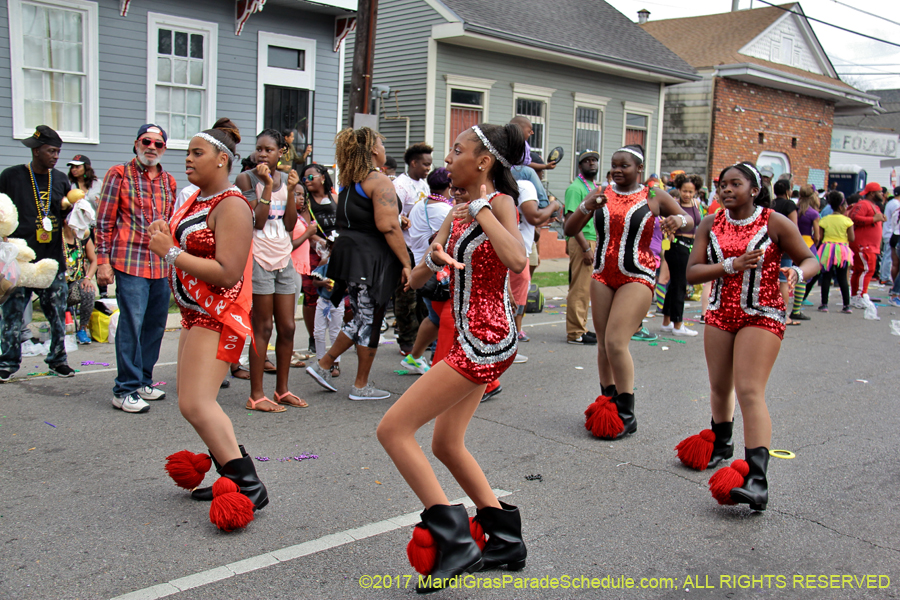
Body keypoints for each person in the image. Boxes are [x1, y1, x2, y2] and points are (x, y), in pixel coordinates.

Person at [376, 123, 528, 591]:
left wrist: (482, 210)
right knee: (446, 443)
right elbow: (418, 279)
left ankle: (455, 541)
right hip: (469, 337)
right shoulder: (456, 210)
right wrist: (433, 257)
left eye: (457, 150)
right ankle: (505, 539)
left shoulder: (499, 203)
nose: (447, 157)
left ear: (483, 161)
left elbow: (517, 260)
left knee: (393, 429)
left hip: (488, 337)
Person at [677, 162, 817, 512]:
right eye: (722, 184)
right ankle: (721, 444)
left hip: (763, 313)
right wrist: (731, 266)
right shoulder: (710, 223)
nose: (726, 189)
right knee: (719, 386)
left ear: (754, 190)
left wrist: (797, 273)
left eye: (735, 184)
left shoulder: (775, 222)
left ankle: (756, 480)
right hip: (720, 312)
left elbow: (810, 259)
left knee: (749, 390)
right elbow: (692, 273)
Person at [149, 118, 269, 524]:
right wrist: (168, 235)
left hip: (217, 315)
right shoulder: (198, 199)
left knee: (196, 403)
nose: (187, 159)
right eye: (187, 153)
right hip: (193, 313)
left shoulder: (232, 205)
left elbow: (228, 272)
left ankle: (248, 486)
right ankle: (232, 476)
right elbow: (188, 245)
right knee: (193, 403)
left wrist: (169, 252)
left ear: (222, 160)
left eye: (196, 153)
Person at [564, 145, 693, 440]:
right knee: (602, 344)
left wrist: (679, 220)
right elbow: (570, 228)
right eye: (614, 165)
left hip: (637, 275)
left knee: (615, 341)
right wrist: (586, 207)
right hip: (602, 274)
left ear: (639, 168)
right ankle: (607, 402)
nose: (618, 170)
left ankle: (626, 411)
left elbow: (690, 220)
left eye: (625, 165)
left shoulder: (654, 195)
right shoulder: (600, 193)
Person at [306, 127, 410, 400]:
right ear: (374, 150)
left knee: (364, 316)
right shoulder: (378, 180)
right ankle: (358, 384)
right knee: (370, 319)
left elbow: (364, 220)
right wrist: (406, 262)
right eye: (381, 144)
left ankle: (325, 365)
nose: (384, 149)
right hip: (370, 260)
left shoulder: (350, 182)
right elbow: (387, 226)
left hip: (350, 258)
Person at [96, 125, 176, 412]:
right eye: (146, 141)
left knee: (154, 326)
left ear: (164, 148)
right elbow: (104, 221)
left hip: (160, 265)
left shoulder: (168, 181)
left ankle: (143, 380)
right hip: (130, 262)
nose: (152, 147)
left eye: (158, 143)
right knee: (132, 324)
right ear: (137, 143)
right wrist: (102, 261)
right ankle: (125, 389)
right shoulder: (119, 174)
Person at [235, 129, 304, 412]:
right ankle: (256, 395)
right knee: (262, 327)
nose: (262, 154)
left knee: (288, 326)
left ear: (281, 153)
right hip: (258, 258)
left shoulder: (286, 180)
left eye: (269, 150)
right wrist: (265, 186)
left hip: (284, 258)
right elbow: (258, 222)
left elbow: (289, 225)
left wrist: (291, 192)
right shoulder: (246, 179)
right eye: (259, 149)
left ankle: (282, 390)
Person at [0, 125, 74, 382]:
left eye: (58, 151)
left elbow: (66, 216)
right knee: (12, 316)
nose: (56, 156)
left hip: (52, 259)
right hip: (20, 260)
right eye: (51, 151)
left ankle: (58, 360)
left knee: (57, 315)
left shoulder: (61, 179)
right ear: (36, 150)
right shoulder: (11, 176)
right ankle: (8, 363)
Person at [402, 167, 454, 374]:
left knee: (435, 318)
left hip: (423, 270)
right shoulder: (444, 210)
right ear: (449, 186)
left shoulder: (420, 205)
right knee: (443, 319)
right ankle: (437, 362)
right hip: (437, 271)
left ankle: (416, 358)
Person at [392, 143, 433, 355]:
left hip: (421, 248)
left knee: (423, 294)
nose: (428, 168)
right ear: (413, 163)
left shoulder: (424, 185)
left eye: (430, 165)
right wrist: (402, 219)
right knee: (406, 296)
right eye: (425, 164)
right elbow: (390, 214)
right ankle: (407, 340)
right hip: (404, 248)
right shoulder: (400, 185)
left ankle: (422, 339)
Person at [510, 179, 560, 348]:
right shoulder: (525, 186)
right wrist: (554, 205)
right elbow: (534, 217)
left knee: (522, 290)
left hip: (525, 249)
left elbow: (535, 227)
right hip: (516, 252)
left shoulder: (524, 193)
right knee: (518, 290)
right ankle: (512, 330)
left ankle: (516, 328)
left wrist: (539, 224)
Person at [299, 163, 339, 361]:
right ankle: (314, 338)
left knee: (340, 293)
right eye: (304, 179)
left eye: (310, 177)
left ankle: (339, 335)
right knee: (311, 295)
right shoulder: (306, 202)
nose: (306, 181)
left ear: (323, 177)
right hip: (314, 252)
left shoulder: (335, 198)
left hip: (337, 251)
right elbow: (306, 229)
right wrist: (324, 244)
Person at [562, 150, 602, 345]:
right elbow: (570, 219)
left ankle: (582, 326)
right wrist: (585, 248)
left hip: (591, 239)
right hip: (582, 240)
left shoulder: (594, 187)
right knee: (579, 288)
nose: (592, 163)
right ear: (580, 166)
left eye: (594, 160)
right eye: (587, 161)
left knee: (585, 288)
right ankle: (575, 332)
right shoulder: (575, 188)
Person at [660, 173, 703, 337]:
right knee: (680, 285)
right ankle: (678, 324)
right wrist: (669, 234)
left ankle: (667, 322)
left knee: (674, 285)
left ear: (696, 192)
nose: (687, 194)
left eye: (691, 192)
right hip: (677, 246)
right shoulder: (674, 205)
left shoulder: (696, 204)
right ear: (678, 189)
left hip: (690, 246)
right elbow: (664, 223)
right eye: (684, 191)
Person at [847, 182, 887, 308]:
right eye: (879, 191)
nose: (882, 194)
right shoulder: (863, 204)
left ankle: (856, 296)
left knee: (860, 271)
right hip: (864, 245)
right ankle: (860, 295)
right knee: (866, 270)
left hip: (868, 246)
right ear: (872, 193)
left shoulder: (871, 205)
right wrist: (874, 219)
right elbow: (854, 218)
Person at [817, 193, 855, 313]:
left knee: (826, 277)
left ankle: (824, 304)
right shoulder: (847, 221)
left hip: (827, 249)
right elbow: (852, 238)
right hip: (842, 250)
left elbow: (820, 236)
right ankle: (846, 305)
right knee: (842, 278)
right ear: (841, 207)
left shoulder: (824, 220)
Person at [771, 180, 800, 326]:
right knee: (783, 281)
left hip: (770, 245)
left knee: (770, 280)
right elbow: (793, 227)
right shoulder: (789, 205)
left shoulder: (770, 204)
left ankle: (771, 312)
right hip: (784, 247)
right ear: (788, 191)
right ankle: (783, 315)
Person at [789, 185, 820, 321]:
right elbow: (817, 236)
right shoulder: (813, 213)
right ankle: (796, 310)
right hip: (808, 243)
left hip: (792, 242)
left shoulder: (795, 210)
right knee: (804, 276)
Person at [63, 222, 97, 345]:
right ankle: (60, 328)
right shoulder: (57, 236)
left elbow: (94, 260)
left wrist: (88, 278)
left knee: (88, 290)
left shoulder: (83, 237)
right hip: (59, 281)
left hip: (76, 282)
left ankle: (82, 328)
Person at [881, 187, 900, 285]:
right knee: (890, 258)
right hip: (893, 233)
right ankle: (885, 277)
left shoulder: (890, 203)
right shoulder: (897, 205)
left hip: (889, 232)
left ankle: (884, 276)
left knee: (887, 257)